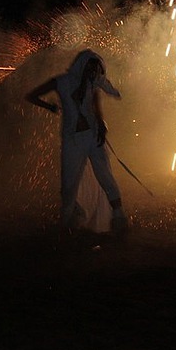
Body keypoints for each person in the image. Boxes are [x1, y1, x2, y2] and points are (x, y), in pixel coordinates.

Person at [25, 49, 128, 234]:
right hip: (73, 140)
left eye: (96, 69)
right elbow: (31, 96)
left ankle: (119, 216)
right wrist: (49, 106)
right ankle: (69, 220)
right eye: (91, 68)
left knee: (105, 175)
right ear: (82, 65)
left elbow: (98, 103)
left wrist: (101, 124)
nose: (93, 72)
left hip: (94, 137)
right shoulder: (62, 81)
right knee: (69, 183)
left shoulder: (92, 83)